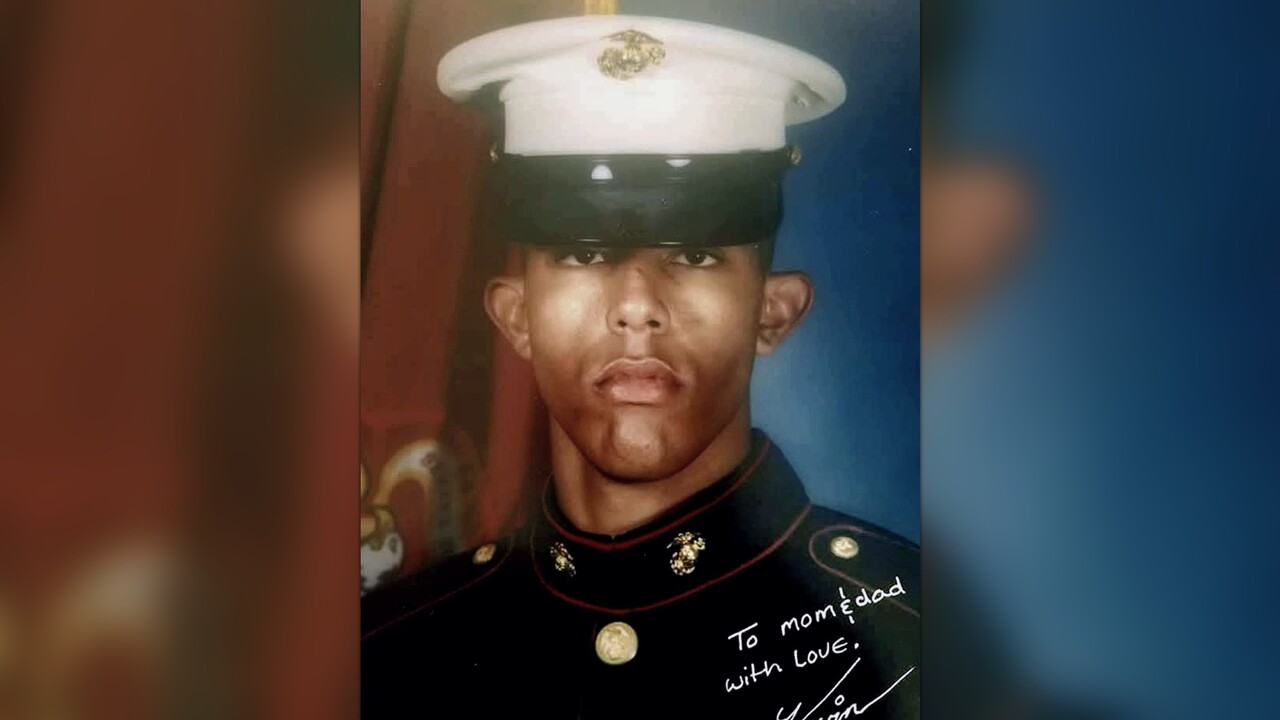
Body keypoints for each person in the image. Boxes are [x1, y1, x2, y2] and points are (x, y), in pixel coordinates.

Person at [361, 15, 919, 719]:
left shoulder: (917, 640)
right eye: (585, 253)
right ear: (517, 317)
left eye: (694, 255)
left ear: (772, 313)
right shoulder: (388, 655)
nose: (635, 307)